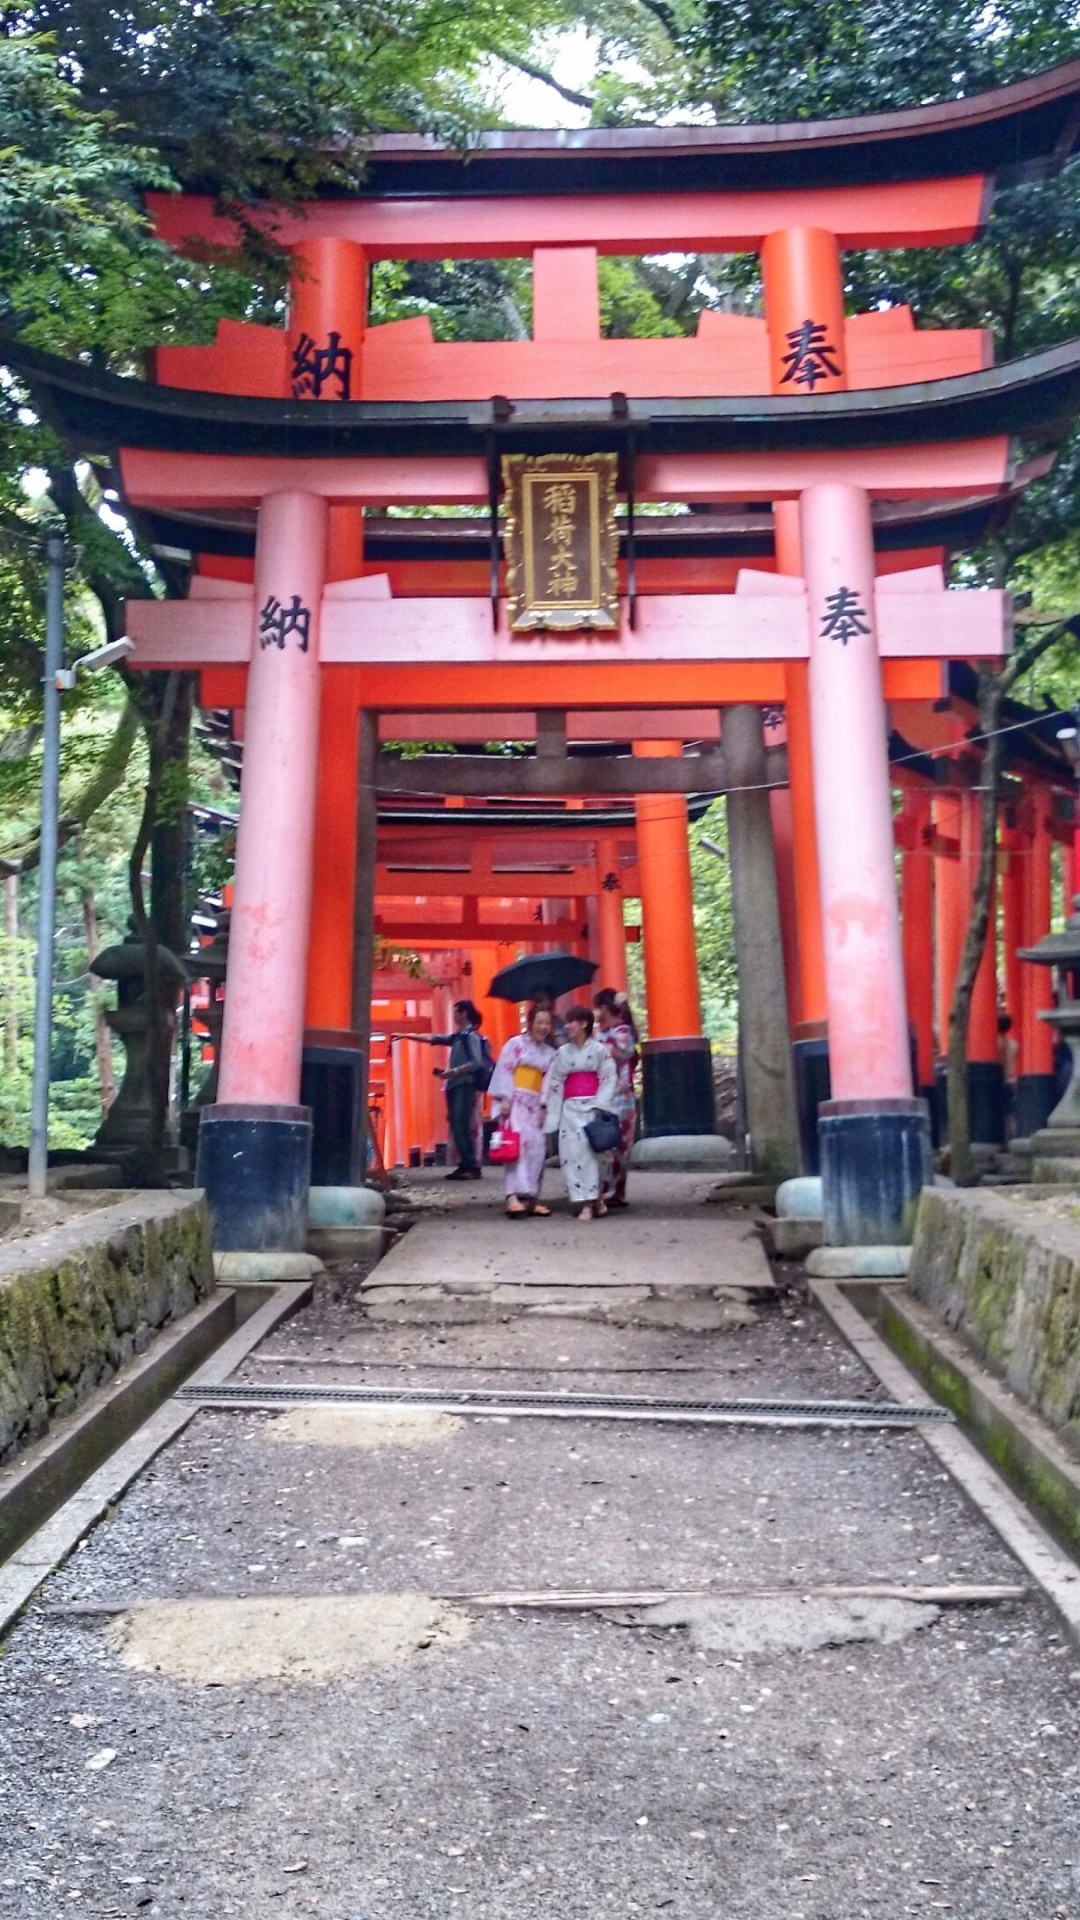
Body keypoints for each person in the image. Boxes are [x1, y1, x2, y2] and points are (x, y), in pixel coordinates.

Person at [544, 1003, 618, 1223]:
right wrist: (553, 1115)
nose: (566, 1026)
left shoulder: (599, 1050)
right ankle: (591, 1200)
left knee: (589, 1155)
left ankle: (589, 1203)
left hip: (591, 1107)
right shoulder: (562, 1053)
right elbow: (555, 1083)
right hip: (569, 1108)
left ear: (583, 1024)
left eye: (570, 1022)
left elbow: (608, 1078)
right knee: (570, 1154)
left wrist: (600, 1105)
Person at [396, 1000, 484, 1179]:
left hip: (464, 1084)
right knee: (456, 1125)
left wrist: (454, 1071)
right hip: (453, 1084)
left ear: (465, 1013)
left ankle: (472, 1165)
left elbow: (477, 1062)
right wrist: (407, 1036)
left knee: (461, 1124)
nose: (453, 1015)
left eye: (456, 1012)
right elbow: (434, 1039)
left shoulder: (471, 1036)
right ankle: (464, 1164)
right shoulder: (458, 1036)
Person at [488, 1002, 556, 1217]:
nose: (543, 1027)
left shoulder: (550, 1053)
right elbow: (506, 1070)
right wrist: (505, 1098)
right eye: (539, 1022)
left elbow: (549, 1081)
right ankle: (512, 1197)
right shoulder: (515, 1045)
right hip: (516, 1100)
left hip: (535, 1103)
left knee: (537, 1147)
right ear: (530, 1022)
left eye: (547, 1023)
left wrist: (545, 1104)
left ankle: (533, 1198)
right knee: (517, 1148)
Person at [593, 987, 639, 1208]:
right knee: (607, 1144)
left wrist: (592, 1030)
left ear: (603, 1008)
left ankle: (616, 1190)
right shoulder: (603, 1033)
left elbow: (611, 1051)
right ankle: (604, 1189)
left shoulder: (622, 1032)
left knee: (619, 1145)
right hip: (607, 1095)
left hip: (621, 1096)